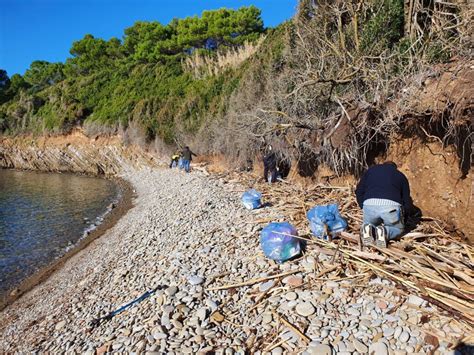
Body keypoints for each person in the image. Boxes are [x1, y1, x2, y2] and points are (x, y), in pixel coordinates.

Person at [355, 161, 413, 248]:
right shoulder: (401, 176)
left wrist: (362, 205)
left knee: (370, 223)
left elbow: (359, 191)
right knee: (398, 229)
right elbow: (406, 200)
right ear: (394, 168)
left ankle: (367, 227)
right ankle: (385, 231)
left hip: (369, 205)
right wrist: (405, 216)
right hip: (390, 207)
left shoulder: (370, 171)